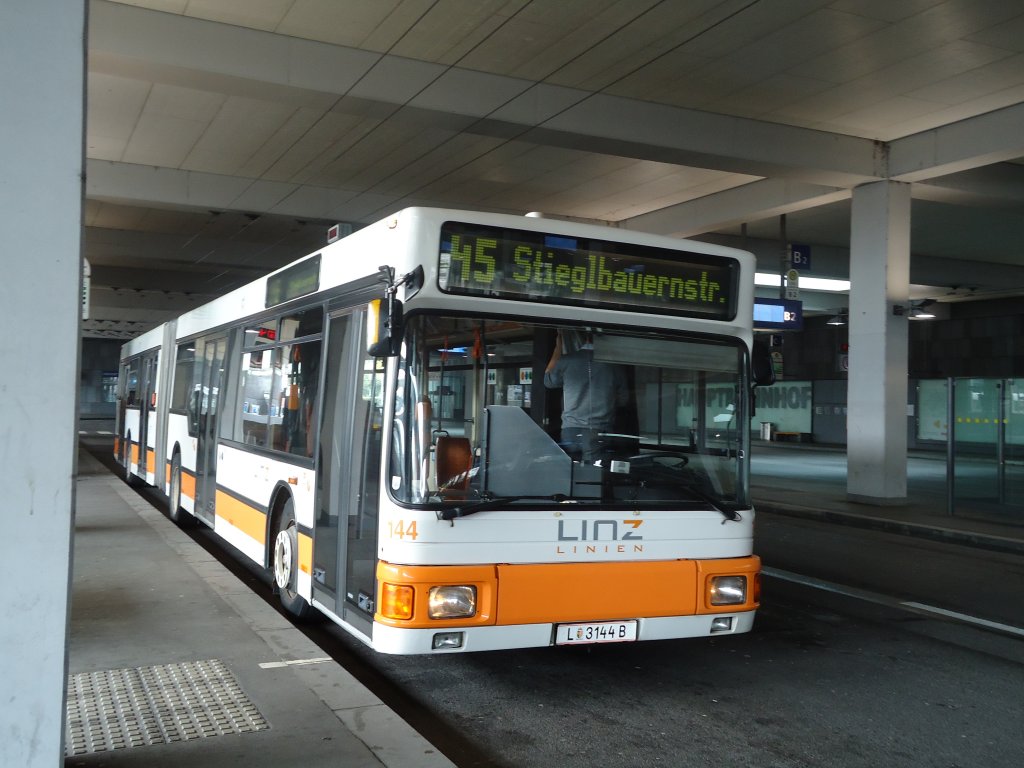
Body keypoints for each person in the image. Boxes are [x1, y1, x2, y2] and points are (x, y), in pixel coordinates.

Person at [544, 329, 629, 461]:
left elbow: (548, 382)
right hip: (600, 428)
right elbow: (624, 399)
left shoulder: (566, 361)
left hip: (571, 427)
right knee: (594, 471)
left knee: (570, 468)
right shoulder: (613, 365)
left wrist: (558, 349)